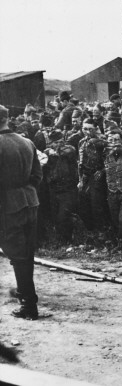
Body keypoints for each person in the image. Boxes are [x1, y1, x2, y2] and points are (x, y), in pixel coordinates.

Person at [0, 105, 43, 320]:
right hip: (29, 202)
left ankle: (28, 304)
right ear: (7, 119)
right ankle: (25, 294)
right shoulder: (27, 142)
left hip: (7, 206)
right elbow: (37, 176)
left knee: (18, 255)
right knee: (25, 253)